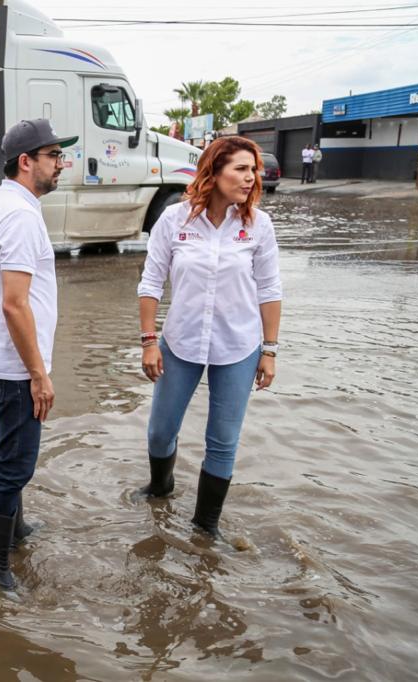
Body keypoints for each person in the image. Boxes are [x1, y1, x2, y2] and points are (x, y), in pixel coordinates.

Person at [135, 135, 282, 538]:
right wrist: (149, 341)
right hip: (180, 342)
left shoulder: (259, 226)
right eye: (241, 169)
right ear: (214, 172)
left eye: (254, 170)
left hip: (239, 347)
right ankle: (160, 487)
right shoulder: (174, 220)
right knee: (160, 431)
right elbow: (151, 282)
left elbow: (269, 290)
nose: (251, 178)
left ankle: (205, 528)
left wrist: (269, 351)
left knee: (222, 441)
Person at [0, 118, 77, 589]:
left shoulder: (10, 203)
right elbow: (14, 304)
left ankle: (15, 531)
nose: (61, 163)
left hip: (0, 358)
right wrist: (38, 374)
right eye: (54, 155)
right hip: (14, 367)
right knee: (16, 465)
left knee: (8, 451)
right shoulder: (19, 215)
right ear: (26, 162)